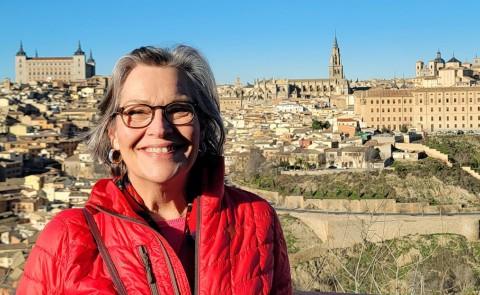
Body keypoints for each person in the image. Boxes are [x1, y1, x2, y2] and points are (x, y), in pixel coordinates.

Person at [17, 45, 292, 294]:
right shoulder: (64, 239)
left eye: (178, 109)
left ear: (203, 124)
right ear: (112, 132)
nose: (160, 128)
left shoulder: (256, 220)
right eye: (136, 112)